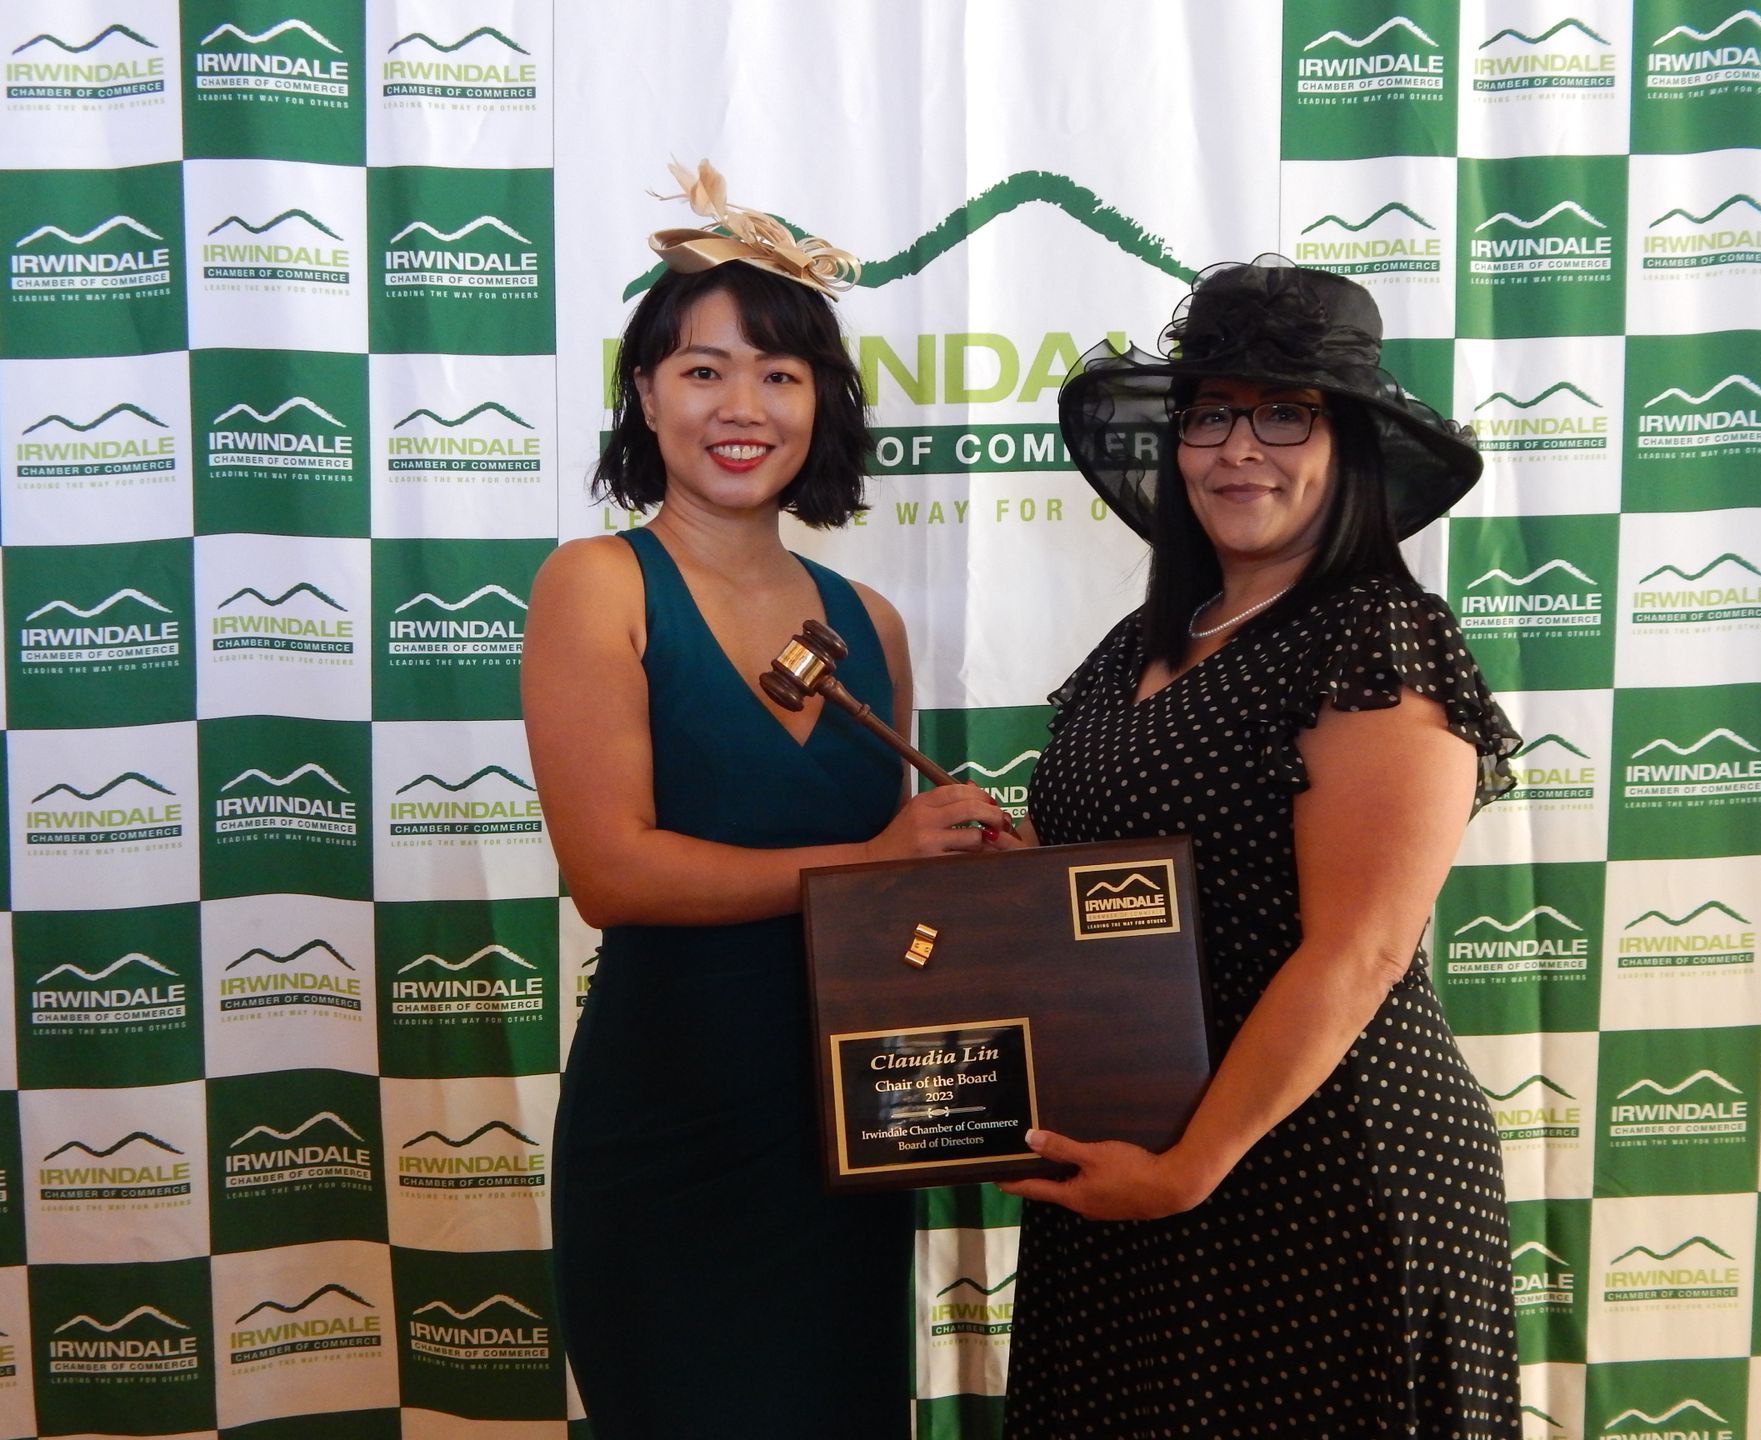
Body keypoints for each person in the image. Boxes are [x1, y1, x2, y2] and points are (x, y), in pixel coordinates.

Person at [997, 256, 1525, 1437]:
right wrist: (1004, 856)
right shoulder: (1144, 637)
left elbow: (1360, 953)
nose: (1239, 448)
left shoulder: (1376, 639)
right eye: (1211, 413)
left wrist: (1189, 1166)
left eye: (1284, 412)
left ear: (1347, 445)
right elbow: (1130, 880)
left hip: (1316, 1175)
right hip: (1134, 1156)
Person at [523, 162, 1006, 1438]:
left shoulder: (873, 625)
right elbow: (613, 875)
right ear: (646, 394)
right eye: (703, 370)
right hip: (672, 1121)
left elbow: (894, 910)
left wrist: (976, 879)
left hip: (848, 1128)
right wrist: (868, 859)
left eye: (779, 374)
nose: (743, 406)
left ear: (820, 404)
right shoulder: (596, 585)